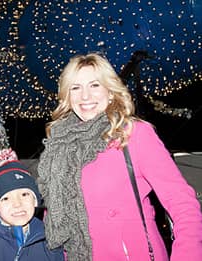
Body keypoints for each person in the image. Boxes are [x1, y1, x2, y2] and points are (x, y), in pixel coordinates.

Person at [37, 53, 202, 261]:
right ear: (67, 96)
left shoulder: (134, 134)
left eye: (95, 85)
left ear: (110, 91)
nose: (85, 96)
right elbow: (52, 218)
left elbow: (183, 203)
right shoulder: (59, 147)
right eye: (75, 87)